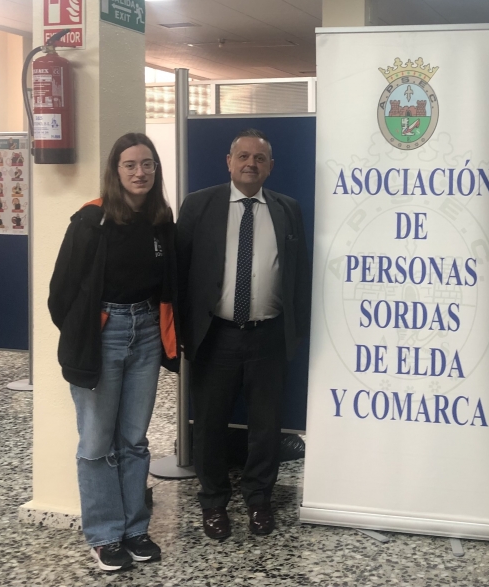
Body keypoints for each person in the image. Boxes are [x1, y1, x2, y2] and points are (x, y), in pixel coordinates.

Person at [48, 133, 180, 573]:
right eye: (130, 165)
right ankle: (105, 536)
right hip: (104, 334)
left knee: (134, 440)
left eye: (147, 164)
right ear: (115, 170)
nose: (140, 172)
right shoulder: (91, 221)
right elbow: (60, 294)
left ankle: (135, 529)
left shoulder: (162, 220)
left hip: (145, 333)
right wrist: (87, 332)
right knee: (97, 441)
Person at [177, 128, 311, 540]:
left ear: (271, 166)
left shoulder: (287, 209)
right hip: (215, 336)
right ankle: (214, 503)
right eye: (244, 156)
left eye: (260, 158)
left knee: (266, 427)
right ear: (229, 161)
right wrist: (184, 334)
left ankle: (258, 500)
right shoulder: (199, 205)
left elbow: (298, 275)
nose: (251, 163)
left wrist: (296, 331)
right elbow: (179, 275)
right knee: (211, 426)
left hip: (267, 337)